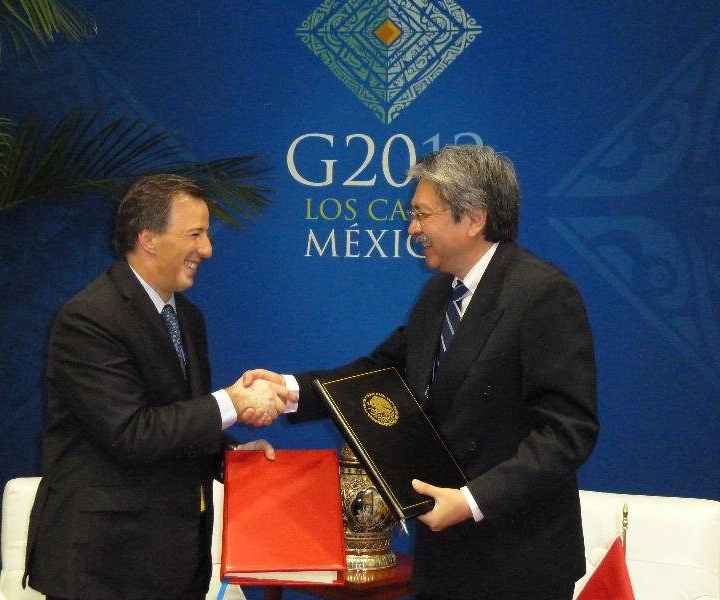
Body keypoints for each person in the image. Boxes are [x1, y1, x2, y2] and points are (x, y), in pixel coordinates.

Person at [247, 145, 599, 599]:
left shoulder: (543, 294)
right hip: (444, 557)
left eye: (422, 214)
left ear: (472, 218)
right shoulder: (439, 293)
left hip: (517, 563)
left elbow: (568, 433)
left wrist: (472, 501)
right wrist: (290, 390)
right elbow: (379, 372)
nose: (412, 228)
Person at [24, 174, 295, 600]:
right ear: (149, 238)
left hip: (175, 561)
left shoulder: (188, 317)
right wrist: (232, 402)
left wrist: (231, 457)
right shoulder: (89, 319)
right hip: (105, 568)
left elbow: (177, 419)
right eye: (195, 234)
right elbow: (132, 433)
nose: (207, 249)